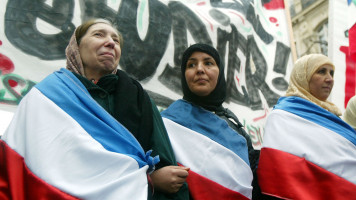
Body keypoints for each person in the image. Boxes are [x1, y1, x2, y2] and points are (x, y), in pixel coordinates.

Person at [0, 18, 189, 200]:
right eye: (99, 35)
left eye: (116, 40)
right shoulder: (46, 97)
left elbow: (165, 163)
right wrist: (146, 179)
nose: (110, 43)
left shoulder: (137, 97)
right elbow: (19, 161)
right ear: (76, 47)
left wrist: (155, 180)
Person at [161, 43, 259, 200]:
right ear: (184, 75)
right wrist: (153, 178)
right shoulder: (166, 122)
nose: (200, 69)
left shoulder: (236, 129)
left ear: (220, 73)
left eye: (208, 63)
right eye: (191, 64)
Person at [257, 54, 356, 199]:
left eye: (331, 73)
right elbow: (278, 166)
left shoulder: (335, 118)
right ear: (303, 76)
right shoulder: (283, 115)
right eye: (321, 71)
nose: (330, 79)